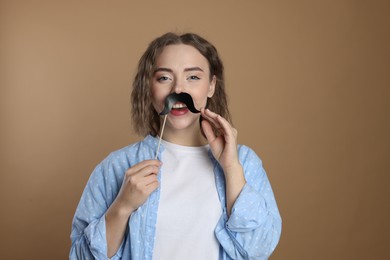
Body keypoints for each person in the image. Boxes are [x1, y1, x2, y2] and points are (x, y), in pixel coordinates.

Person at [70, 32, 282, 260]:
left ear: (211, 86)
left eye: (193, 77)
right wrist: (122, 207)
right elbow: (82, 257)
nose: (178, 91)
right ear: (149, 88)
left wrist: (231, 169)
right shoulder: (116, 166)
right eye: (164, 78)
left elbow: (259, 249)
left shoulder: (245, 163)